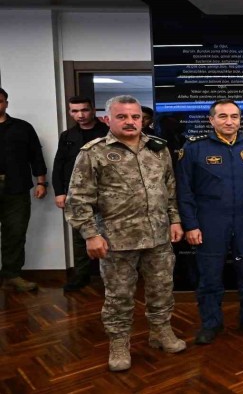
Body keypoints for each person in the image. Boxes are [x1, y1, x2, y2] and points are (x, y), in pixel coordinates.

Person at [65, 95, 186, 371]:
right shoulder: (93, 152)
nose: (130, 122)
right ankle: (119, 342)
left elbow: (169, 189)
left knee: (162, 289)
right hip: (117, 239)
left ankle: (161, 331)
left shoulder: (158, 149)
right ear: (107, 119)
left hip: (158, 236)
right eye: (122, 116)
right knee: (119, 296)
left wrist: (175, 221)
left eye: (135, 117)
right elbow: (78, 198)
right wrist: (90, 234)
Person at [176, 99, 243, 344]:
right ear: (211, 120)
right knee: (210, 276)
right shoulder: (194, 149)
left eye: (234, 117)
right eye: (223, 116)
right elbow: (184, 191)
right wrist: (190, 225)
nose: (229, 121)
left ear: (240, 120)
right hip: (210, 222)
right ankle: (211, 323)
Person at [52, 96, 109, 291]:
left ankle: (109, 277)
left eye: (84, 110)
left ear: (93, 110)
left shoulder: (107, 132)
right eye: (75, 111)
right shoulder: (68, 136)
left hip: (106, 192)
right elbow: (59, 165)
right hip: (77, 193)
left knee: (109, 233)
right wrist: (59, 192)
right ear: (70, 113)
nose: (80, 115)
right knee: (80, 235)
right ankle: (81, 276)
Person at [0, 88, 48, 292]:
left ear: (6, 103)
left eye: (0, 101)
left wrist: (41, 182)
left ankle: (12, 275)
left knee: (15, 232)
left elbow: (36, 156)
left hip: (16, 187)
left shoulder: (22, 127)